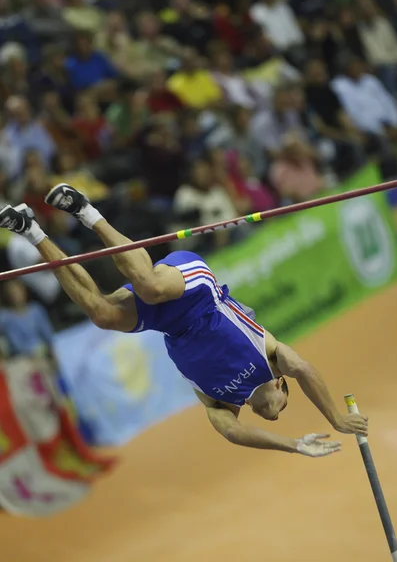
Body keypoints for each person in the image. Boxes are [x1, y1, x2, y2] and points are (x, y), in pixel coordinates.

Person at [0, 185, 368, 457]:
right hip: (196, 292)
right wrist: (335, 418)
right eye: (284, 407)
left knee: (102, 315)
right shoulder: (272, 359)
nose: (274, 417)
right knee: (149, 287)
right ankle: (85, 210)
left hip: (166, 322)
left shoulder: (220, 405)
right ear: (281, 386)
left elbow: (235, 435)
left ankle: (30, 231)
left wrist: (295, 445)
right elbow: (304, 368)